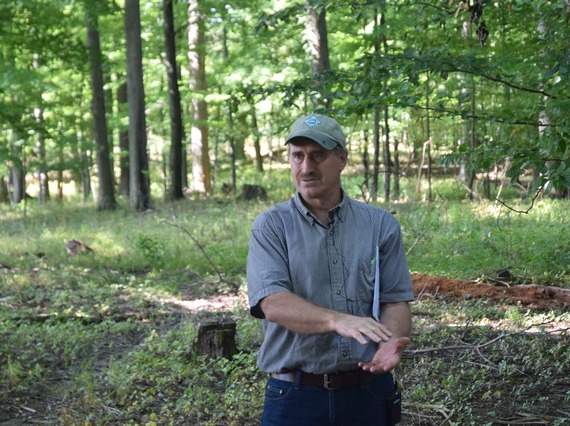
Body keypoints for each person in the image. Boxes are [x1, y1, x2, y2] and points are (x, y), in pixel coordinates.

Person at [246, 114, 414, 426]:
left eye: (318, 156)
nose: (306, 168)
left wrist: (392, 340)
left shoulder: (379, 225)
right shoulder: (271, 226)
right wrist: (337, 320)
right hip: (294, 395)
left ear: (342, 159)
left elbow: (395, 299)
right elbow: (272, 302)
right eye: (298, 156)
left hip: (367, 392)